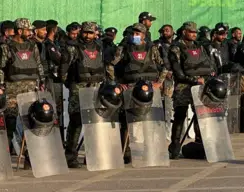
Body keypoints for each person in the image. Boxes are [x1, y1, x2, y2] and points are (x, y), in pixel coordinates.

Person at [106, 23, 167, 163]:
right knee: (127, 120)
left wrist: (159, 82)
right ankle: (125, 152)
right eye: (133, 33)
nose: (135, 36)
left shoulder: (152, 48)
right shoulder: (124, 48)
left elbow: (164, 66)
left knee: (149, 120)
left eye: (138, 33)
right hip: (130, 87)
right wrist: (116, 83)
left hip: (148, 87)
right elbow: (111, 65)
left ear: (144, 35)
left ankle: (150, 150)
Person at [60, 21, 107, 168]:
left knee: (94, 121)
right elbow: (63, 69)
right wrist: (70, 84)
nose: (88, 36)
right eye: (85, 32)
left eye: (91, 33)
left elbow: (102, 65)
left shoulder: (99, 47)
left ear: (95, 33)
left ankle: (92, 155)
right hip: (78, 87)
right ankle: (71, 156)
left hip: (95, 86)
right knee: (76, 121)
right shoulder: (73, 48)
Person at [0, 18, 44, 149]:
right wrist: (1, 85)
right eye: (28, 30)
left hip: (31, 87)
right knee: (10, 121)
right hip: (12, 88)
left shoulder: (33, 46)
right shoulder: (6, 46)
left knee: (31, 121)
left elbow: (38, 64)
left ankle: (29, 155)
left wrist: (42, 81)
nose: (30, 33)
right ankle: (5, 152)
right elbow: (0, 68)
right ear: (20, 31)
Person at [167, 22, 215, 159]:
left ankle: (201, 144)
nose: (194, 34)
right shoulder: (176, 48)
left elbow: (209, 64)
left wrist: (209, 76)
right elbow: (178, 72)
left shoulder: (199, 46)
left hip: (200, 85)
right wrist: (193, 80)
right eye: (191, 32)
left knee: (200, 115)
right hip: (183, 86)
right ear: (184, 32)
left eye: (195, 32)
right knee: (180, 116)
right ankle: (174, 147)